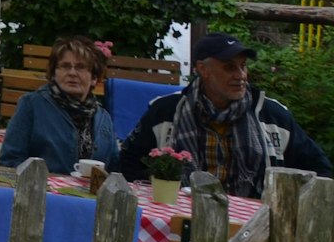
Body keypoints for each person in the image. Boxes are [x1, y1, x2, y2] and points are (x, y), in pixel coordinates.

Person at [115, 33, 332, 198]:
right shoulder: (165, 111)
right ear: (203, 69)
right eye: (230, 68)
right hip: (181, 219)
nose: (241, 76)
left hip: (256, 226)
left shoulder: (272, 116)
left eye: (243, 67)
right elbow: (127, 163)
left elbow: (321, 171)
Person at [0, 34, 119, 171]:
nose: (72, 73)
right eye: (65, 66)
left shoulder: (104, 118)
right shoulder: (32, 105)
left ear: (94, 77)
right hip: (41, 190)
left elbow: (114, 170)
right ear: (54, 73)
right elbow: (9, 161)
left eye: (80, 67)